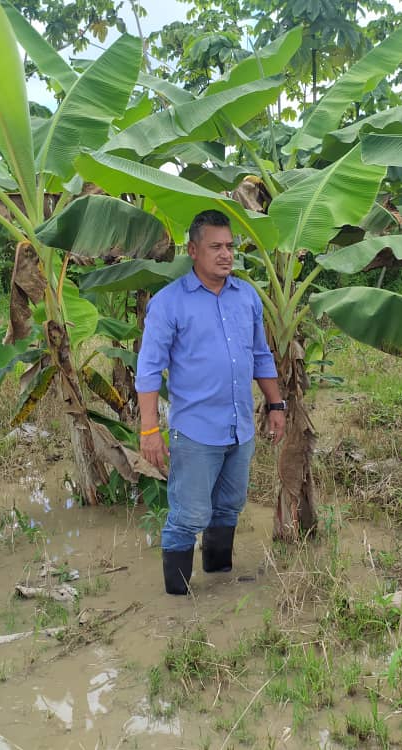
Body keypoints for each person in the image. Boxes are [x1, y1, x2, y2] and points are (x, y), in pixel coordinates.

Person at [135, 210, 286, 595]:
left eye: (230, 246)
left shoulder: (246, 296)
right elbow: (149, 371)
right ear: (194, 250)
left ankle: (220, 582)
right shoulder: (169, 304)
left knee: (229, 507)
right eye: (215, 246)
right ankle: (178, 600)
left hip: (239, 427)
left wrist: (276, 405)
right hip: (197, 431)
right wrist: (149, 429)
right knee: (189, 516)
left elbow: (261, 355)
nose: (225, 254)